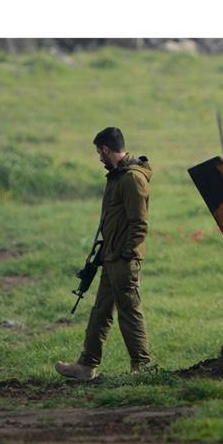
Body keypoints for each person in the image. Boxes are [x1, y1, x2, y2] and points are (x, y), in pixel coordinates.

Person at [56, 127, 154, 381]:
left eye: (99, 152)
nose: (99, 158)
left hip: (123, 260)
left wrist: (126, 253)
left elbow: (139, 223)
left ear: (105, 149)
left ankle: (142, 367)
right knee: (101, 311)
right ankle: (86, 365)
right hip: (111, 258)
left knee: (129, 311)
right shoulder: (117, 177)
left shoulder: (132, 179)